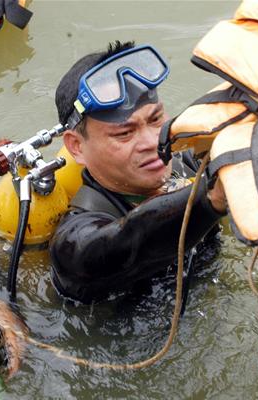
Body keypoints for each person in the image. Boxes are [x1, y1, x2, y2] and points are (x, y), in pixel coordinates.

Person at [49, 41, 226, 304]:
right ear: (77, 146)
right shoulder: (73, 244)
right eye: (124, 133)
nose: (153, 142)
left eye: (155, 120)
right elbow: (123, 241)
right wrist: (211, 197)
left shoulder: (190, 163)